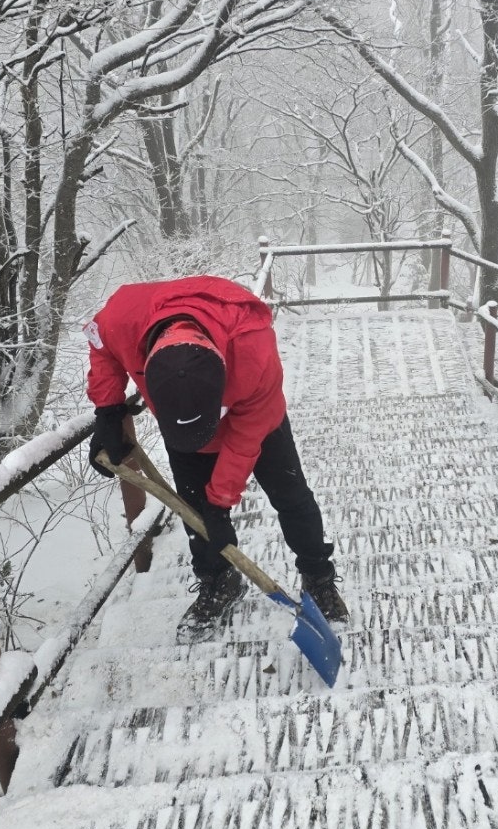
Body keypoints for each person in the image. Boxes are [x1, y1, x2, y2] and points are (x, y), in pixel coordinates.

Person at [84, 275, 347, 641]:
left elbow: (244, 441)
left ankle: (318, 576)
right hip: (181, 426)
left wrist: (221, 502)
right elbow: (101, 343)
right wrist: (109, 410)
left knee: (291, 496)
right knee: (193, 508)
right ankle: (219, 581)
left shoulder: (252, 347)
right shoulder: (123, 319)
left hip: (256, 421)